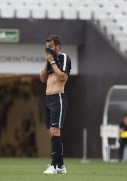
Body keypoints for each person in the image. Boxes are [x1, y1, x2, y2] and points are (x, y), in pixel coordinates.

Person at [39, 35, 71, 174]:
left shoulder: (63, 58)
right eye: (46, 47)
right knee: (51, 133)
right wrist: (47, 63)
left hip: (58, 97)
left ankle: (54, 165)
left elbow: (63, 77)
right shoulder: (49, 61)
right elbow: (42, 78)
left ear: (57, 46)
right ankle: (61, 165)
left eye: (50, 46)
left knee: (54, 131)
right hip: (48, 99)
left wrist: (52, 62)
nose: (48, 49)